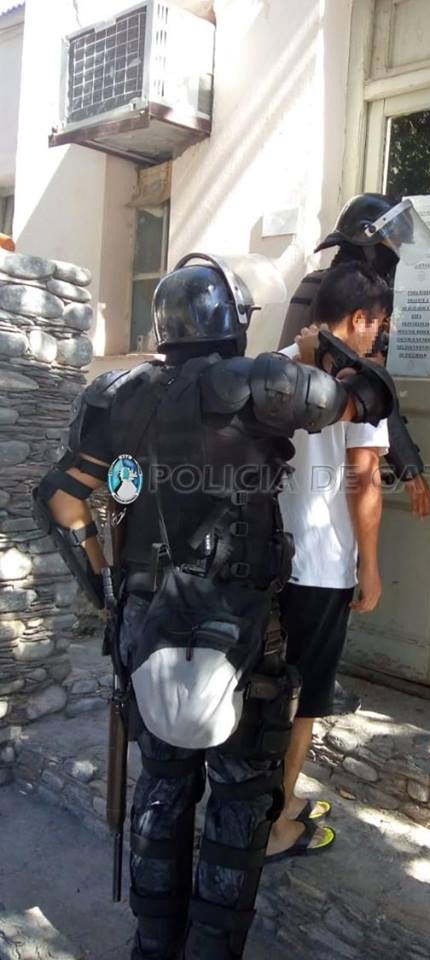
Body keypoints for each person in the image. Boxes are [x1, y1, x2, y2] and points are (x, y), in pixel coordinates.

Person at [32, 253, 395, 960]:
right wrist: (325, 353)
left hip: (147, 623)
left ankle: (153, 946)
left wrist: (106, 587)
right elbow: (370, 396)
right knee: (239, 800)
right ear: (232, 321)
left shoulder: (116, 394)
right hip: (241, 632)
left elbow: (61, 499)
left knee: (163, 788)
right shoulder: (256, 384)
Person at [264, 262, 391, 861]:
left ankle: (261, 802)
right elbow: (364, 480)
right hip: (318, 564)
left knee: (258, 686)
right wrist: (370, 566)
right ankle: (275, 825)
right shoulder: (362, 384)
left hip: (260, 559)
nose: (378, 336)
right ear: (358, 318)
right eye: (377, 324)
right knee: (302, 698)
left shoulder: (270, 366)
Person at [279, 193, 430, 522]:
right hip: (322, 454)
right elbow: (368, 388)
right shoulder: (335, 294)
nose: (397, 254)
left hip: (318, 453)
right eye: (394, 244)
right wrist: (408, 465)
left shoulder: (338, 289)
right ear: (369, 242)